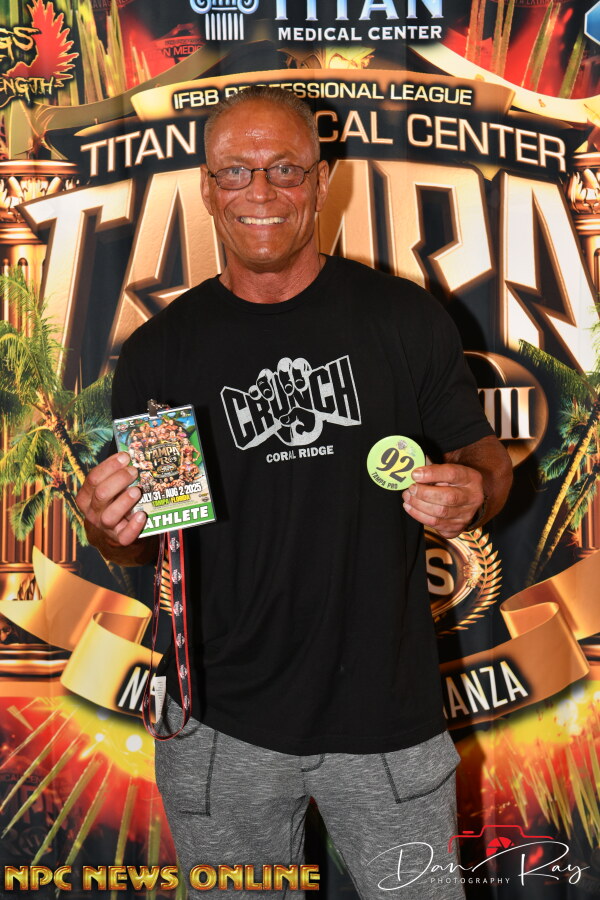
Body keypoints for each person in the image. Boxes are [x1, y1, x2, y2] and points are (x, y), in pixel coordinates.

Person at [76, 87, 512, 899]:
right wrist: (109, 526)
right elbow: (144, 542)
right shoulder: (163, 352)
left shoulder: (401, 317)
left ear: (321, 181)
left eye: (284, 169)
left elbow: (484, 455)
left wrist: (475, 490)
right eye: (235, 172)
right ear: (207, 188)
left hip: (386, 715)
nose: (262, 192)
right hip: (221, 724)